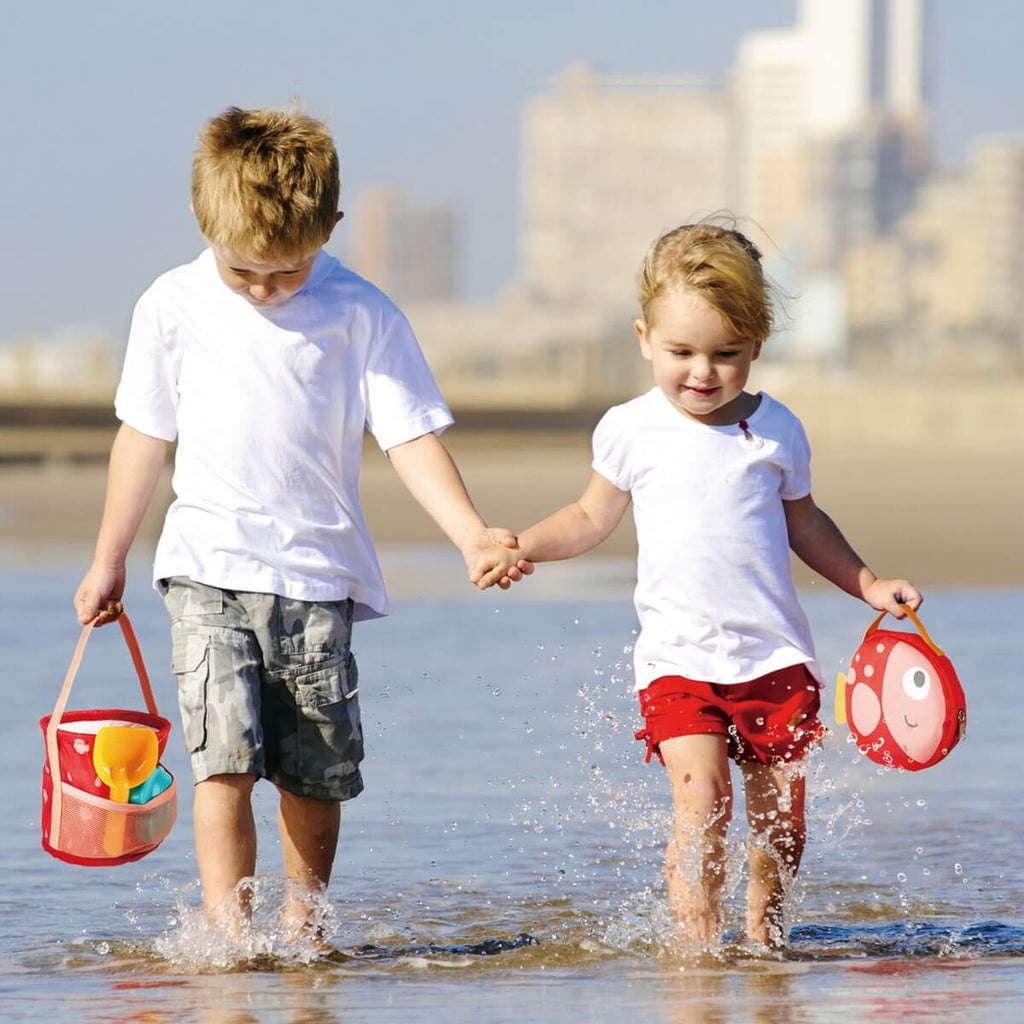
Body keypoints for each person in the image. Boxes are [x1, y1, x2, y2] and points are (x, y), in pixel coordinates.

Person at [73, 106, 529, 934]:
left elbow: (409, 436)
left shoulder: (360, 312)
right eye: (242, 270)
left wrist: (470, 533)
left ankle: (304, 925)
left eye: (285, 272)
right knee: (222, 761)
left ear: (331, 228)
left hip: (316, 579)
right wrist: (109, 559)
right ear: (200, 220)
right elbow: (142, 438)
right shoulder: (171, 304)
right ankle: (229, 934)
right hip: (205, 569)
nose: (262, 289)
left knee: (314, 773)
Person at [503, 221, 922, 949]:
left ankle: (764, 939)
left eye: (725, 354)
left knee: (781, 822)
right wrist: (525, 546)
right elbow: (590, 516)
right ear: (644, 339)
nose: (702, 372)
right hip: (678, 659)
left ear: (756, 344)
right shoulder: (630, 428)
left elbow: (806, 524)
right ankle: (696, 951)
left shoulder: (777, 430)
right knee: (702, 799)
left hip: (774, 657)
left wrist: (869, 584)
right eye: (682, 352)